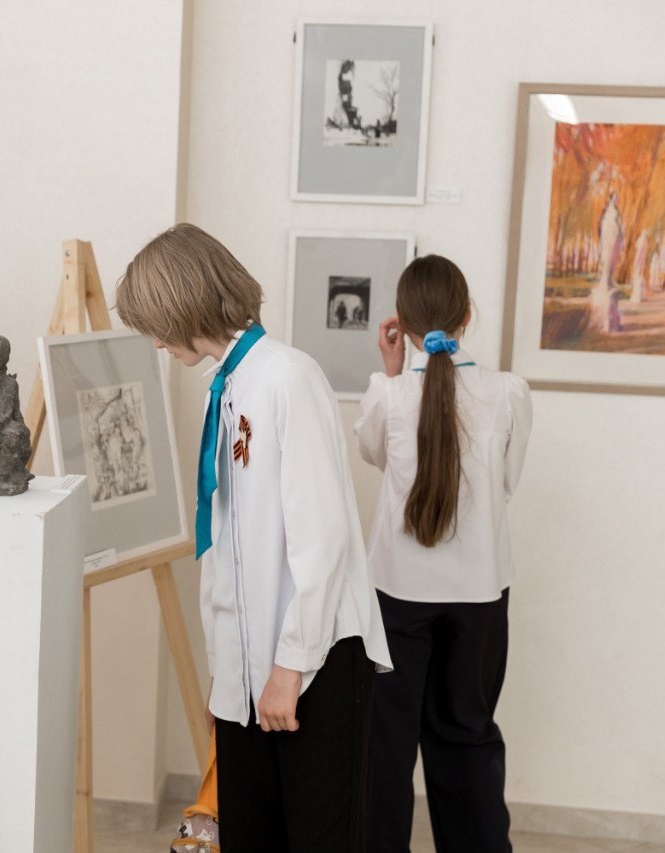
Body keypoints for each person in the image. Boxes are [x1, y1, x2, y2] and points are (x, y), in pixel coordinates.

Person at [115, 223, 391, 852]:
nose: (156, 342)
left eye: (155, 325)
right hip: (251, 672)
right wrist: (228, 677)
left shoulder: (289, 377)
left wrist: (288, 668)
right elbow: (227, 549)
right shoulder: (226, 387)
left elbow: (322, 542)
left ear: (183, 305)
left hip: (314, 661)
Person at [355, 255, 533, 853]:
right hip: (480, 592)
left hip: (396, 594)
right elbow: (505, 483)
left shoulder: (387, 395)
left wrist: (392, 372)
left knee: (385, 744)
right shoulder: (508, 393)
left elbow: (375, 457)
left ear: (401, 324)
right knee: (468, 735)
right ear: (466, 316)